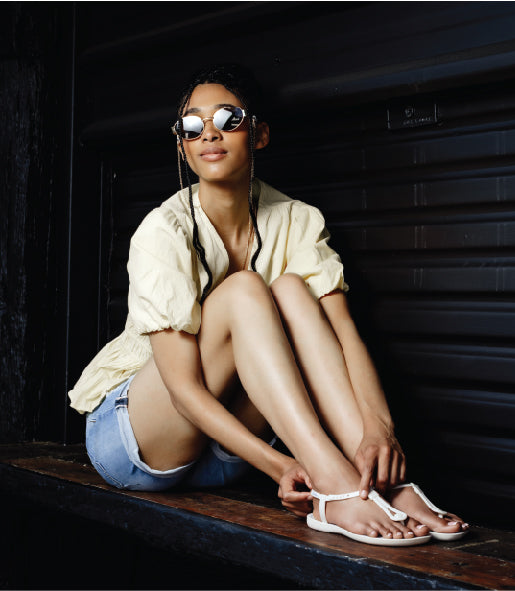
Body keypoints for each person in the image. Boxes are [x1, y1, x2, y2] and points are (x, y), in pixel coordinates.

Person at [69, 63, 468, 547]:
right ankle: (335, 483)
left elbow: (345, 336)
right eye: (192, 126)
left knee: (292, 290)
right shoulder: (163, 231)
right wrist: (283, 467)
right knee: (245, 289)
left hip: (221, 456)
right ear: (182, 146)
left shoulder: (297, 220)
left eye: (228, 119)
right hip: (137, 443)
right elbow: (183, 390)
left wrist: (380, 431)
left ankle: (381, 481)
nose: (209, 134)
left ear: (258, 134)